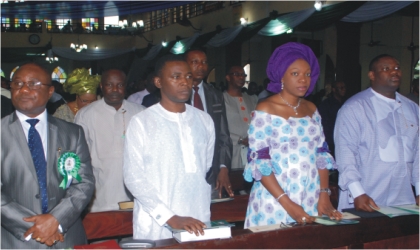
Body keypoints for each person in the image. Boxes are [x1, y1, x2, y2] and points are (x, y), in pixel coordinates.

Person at [243, 42, 341, 229]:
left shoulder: (311, 109)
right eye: (295, 73)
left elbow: (321, 154)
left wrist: (324, 194)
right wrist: (288, 204)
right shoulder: (266, 109)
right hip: (275, 199)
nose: (303, 80)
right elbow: (259, 162)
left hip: (310, 193)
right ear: (281, 76)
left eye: (307, 74)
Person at [1, 62, 95, 248]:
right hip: (15, 239)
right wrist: (35, 227)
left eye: (33, 84)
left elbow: (84, 183)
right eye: (18, 84)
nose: (24, 90)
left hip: (64, 235)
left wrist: (56, 220)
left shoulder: (72, 132)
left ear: (50, 91)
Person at [123, 55, 215, 240]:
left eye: (188, 77)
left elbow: (204, 166)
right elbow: (133, 178)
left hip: (197, 216)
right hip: (156, 222)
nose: (184, 83)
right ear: (158, 82)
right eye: (176, 77)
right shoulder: (142, 122)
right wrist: (170, 217)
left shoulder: (204, 120)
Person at [335, 54, 419, 212]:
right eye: (386, 69)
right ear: (372, 75)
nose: (394, 72)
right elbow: (345, 152)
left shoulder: (412, 108)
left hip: (404, 199)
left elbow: (419, 152)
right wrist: (357, 192)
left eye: (397, 68)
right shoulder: (355, 107)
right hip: (366, 197)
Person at [75, 69, 145, 212]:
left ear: (126, 87)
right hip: (100, 193)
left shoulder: (141, 113)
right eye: (109, 85)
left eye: (120, 85)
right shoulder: (86, 114)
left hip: (136, 193)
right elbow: (79, 157)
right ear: (101, 86)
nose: (114, 90)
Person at [185, 49, 233, 198]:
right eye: (195, 62)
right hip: (185, 166)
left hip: (212, 168)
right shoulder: (177, 94)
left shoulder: (215, 94)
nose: (201, 66)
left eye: (204, 62)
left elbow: (224, 134)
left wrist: (223, 167)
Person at [223, 66, 258, 170]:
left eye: (243, 75)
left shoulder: (252, 99)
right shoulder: (221, 99)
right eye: (237, 74)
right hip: (232, 150)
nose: (241, 77)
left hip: (252, 150)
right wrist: (240, 139)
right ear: (228, 78)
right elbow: (218, 127)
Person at [318, 81, 346, 156]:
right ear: (334, 89)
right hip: (331, 140)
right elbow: (324, 123)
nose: (343, 90)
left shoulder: (346, 103)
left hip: (344, 139)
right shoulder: (326, 104)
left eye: (344, 87)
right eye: (341, 88)